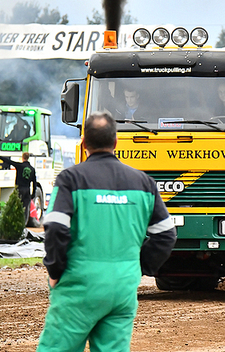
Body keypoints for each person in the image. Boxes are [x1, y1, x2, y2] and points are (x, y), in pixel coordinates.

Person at [37, 112, 176, 352]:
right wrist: (137, 267)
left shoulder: (71, 179)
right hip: (122, 289)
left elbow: (56, 228)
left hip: (79, 287)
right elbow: (166, 234)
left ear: (84, 143)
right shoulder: (144, 183)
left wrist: (55, 269)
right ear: (116, 142)